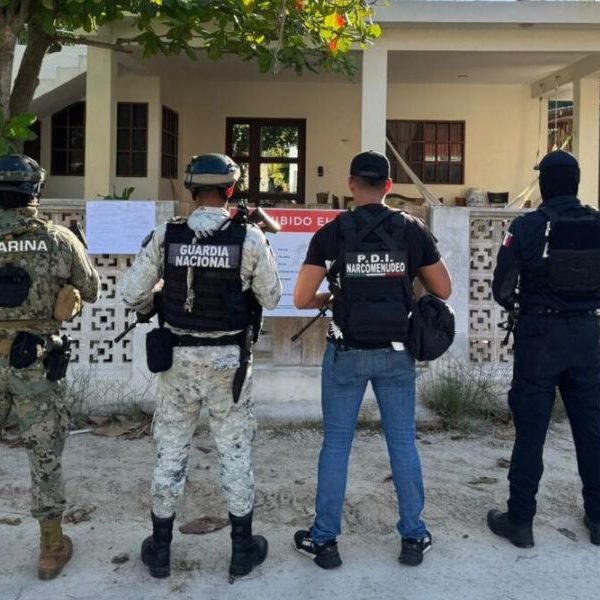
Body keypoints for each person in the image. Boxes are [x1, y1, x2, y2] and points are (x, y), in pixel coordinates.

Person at [121, 153, 282, 579]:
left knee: (170, 452)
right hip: (230, 363)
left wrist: (157, 297)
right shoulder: (249, 238)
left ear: (193, 190)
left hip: (178, 361)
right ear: (230, 190)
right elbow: (271, 298)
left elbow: (131, 294)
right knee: (235, 452)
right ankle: (242, 550)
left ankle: (159, 550)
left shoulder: (166, 235)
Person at [292, 150, 451, 569]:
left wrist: (332, 297)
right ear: (388, 186)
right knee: (402, 443)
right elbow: (444, 289)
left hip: (346, 353)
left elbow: (302, 298)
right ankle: (413, 536)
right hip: (397, 354)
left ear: (350, 185)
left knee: (336, 445)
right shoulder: (411, 230)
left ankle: (324, 541)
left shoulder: (331, 234)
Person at [488, 150, 600, 548]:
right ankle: (598, 519)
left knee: (531, 430)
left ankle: (520, 521)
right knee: (591, 428)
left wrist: (525, 306)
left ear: (544, 185)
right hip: (588, 335)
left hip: (540, 338)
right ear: (576, 182)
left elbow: (502, 288)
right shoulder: (597, 223)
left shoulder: (527, 226)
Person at [0, 154, 100, 580]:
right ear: (34, 191)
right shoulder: (58, 239)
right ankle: (50, 550)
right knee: (44, 456)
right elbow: (91, 289)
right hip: (35, 363)